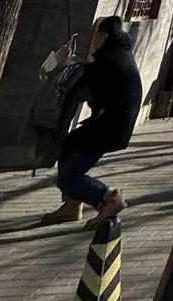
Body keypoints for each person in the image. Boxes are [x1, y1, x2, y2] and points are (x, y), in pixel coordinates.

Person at [42, 16, 142, 226]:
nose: (93, 41)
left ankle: (108, 198)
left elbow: (80, 85)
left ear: (103, 36)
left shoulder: (108, 60)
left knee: (69, 174)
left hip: (110, 126)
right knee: (69, 146)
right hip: (113, 122)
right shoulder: (120, 54)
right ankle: (72, 203)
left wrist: (60, 69)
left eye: (95, 36)